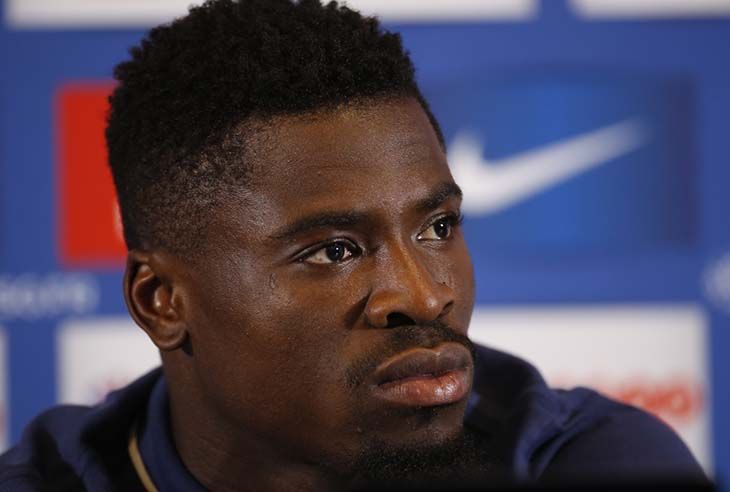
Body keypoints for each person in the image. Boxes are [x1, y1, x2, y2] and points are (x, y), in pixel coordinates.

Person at [0, 0, 708, 490]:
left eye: (437, 228)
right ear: (162, 301)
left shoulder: (590, 465)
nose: (425, 296)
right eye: (334, 251)